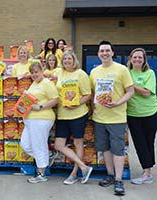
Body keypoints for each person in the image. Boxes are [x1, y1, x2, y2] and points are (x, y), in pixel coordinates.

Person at [90, 41, 134, 196]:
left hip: (117, 117)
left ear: (112, 53)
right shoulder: (94, 71)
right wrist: (92, 107)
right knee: (106, 149)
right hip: (99, 118)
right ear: (98, 54)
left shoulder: (122, 70)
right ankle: (109, 174)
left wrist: (117, 103)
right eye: (102, 51)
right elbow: (93, 93)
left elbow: (130, 91)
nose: (104, 53)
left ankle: (119, 179)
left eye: (107, 50)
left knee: (118, 150)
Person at [53, 50, 93, 185]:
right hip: (62, 115)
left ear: (74, 60)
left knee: (77, 143)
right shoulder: (59, 72)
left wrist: (75, 104)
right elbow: (43, 73)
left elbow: (88, 94)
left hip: (78, 114)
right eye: (64, 59)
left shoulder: (81, 74)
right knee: (59, 145)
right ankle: (84, 167)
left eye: (69, 59)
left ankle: (74, 173)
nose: (67, 61)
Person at [20, 62, 58, 184]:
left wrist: (41, 106)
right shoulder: (34, 84)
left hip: (42, 119)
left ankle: (41, 174)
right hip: (30, 120)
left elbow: (55, 99)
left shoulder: (47, 83)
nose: (34, 74)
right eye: (32, 72)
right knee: (25, 144)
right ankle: (47, 155)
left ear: (42, 71)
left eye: (36, 72)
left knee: (39, 146)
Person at [126, 48, 157, 185]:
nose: (137, 59)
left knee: (148, 142)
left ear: (144, 60)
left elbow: (146, 93)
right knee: (139, 143)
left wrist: (131, 85)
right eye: (135, 57)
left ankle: (147, 173)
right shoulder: (126, 73)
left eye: (140, 57)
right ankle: (147, 171)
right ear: (130, 58)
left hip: (149, 113)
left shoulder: (149, 73)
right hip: (133, 114)